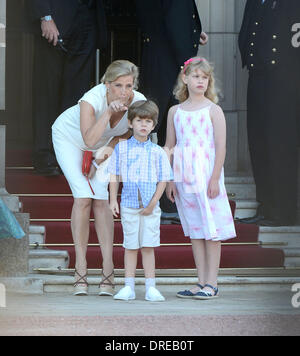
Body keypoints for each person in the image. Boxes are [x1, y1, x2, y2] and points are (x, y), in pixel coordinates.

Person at [52, 60, 146, 296]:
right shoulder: (90, 99)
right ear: (106, 85)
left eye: (128, 86)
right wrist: (108, 112)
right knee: (83, 197)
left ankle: (108, 267)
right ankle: (80, 267)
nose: (124, 92)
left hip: (105, 146)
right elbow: (89, 141)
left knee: (102, 198)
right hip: (72, 138)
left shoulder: (138, 100)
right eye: (118, 86)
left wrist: (105, 154)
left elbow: (130, 133)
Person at [165, 57, 236, 299]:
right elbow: (169, 147)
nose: (200, 81)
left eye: (204, 77)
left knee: (211, 228)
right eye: (195, 76)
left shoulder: (213, 110)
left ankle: (212, 283)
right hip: (184, 176)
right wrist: (170, 180)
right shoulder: (175, 111)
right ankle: (201, 280)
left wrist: (215, 178)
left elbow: (221, 146)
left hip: (207, 175)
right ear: (185, 79)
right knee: (195, 229)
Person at [135, 0, 208, 216]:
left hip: (157, 60)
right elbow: (176, 25)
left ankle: (152, 195)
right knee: (170, 136)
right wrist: (188, 65)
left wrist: (195, 33)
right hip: (171, 67)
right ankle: (167, 201)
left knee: (151, 131)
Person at [238, 0, 300, 226]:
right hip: (258, 75)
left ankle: (284, 212)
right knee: (259, 142)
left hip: (285, 79)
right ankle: (266, 207)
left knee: (280, 145)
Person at [28, 0, 107, 176]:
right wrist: (45, 16)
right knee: (47, 90)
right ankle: (43, 153)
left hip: (87, 18)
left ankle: (65, 153)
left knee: (76, 94)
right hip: (56, 16)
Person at [108, 100, 173, 302]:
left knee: (147, 246)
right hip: (128, 205)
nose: (143, 125)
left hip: (150, 207)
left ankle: (150, 288)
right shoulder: (122, 147)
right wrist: (113, 200)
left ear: (153, 125)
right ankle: (128, 287)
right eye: (139, 120)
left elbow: (164, 178)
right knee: (130, 246)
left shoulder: (157, 151)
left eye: (148, 121)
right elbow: (113, 175)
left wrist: (154, 202)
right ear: (130, 123)